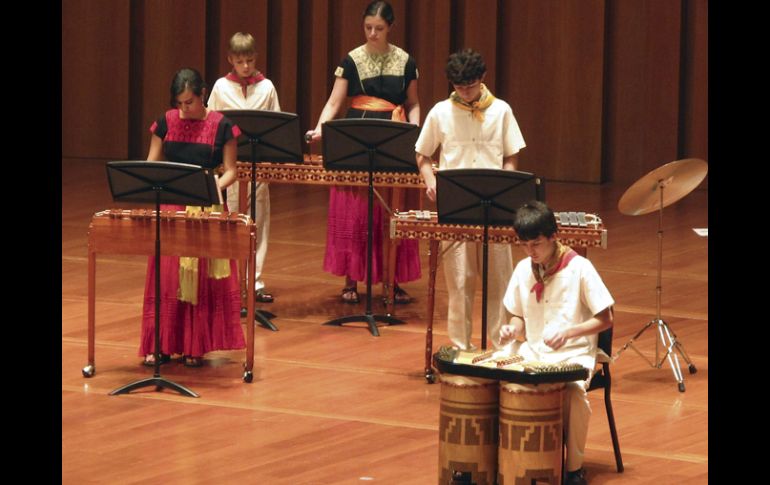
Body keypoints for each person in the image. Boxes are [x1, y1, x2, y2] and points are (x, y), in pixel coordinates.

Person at [305, 0, 421, 305]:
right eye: (368, 27)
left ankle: (392, 280)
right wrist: (320, 128)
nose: (372, 33)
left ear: (390, 28)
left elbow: (413, 104)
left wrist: (415, 132)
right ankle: (351, 280)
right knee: (356, 211)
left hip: (393, 137)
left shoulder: (406, 61)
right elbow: (334, 102)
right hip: (357, 135)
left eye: (379, 29)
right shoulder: (351, 59)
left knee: (390, 209)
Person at [415, 48, 526, 350]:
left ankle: (502, 349)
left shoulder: (501, 110)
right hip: (457, 207)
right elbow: (423, 155)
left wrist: (507, 185)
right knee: (460, 283)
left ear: (483, 78)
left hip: (495, 206)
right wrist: (431, 182)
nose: (464, 92)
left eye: (470, 85)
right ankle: (460, 348)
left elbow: (512, 156)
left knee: (499, 283)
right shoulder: (440, 112)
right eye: (458, 87)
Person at [499, 200, 615, 485]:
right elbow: (517, 315)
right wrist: (512, 330)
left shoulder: (580, 268)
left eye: (536, 244)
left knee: (574, 394)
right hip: (533, 352)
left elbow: (606, 319)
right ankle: (506, 461)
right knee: (497, 379)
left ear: (553, 236)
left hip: (573, 355)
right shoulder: (523, 268)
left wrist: (569, 332)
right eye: (524, 245)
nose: (531, 252)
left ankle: (573, 468)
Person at [140, 68, 245, 368]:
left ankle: (192, 345)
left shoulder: (222, 125)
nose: (184, 109)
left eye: (189, 102)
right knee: (166, 277)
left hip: (205, 206)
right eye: (180, 103)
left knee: (198, 282)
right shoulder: (166, 122)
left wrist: (209, 188)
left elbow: (231, 171)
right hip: (171, 207)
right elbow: (152, 163)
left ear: (202, 96)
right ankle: (160, 344)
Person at [207, 32, 281, 303]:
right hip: (232, 166)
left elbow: (277, 127)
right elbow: (210, 123)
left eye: (250, 60)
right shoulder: (220, 87)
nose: (246, 66)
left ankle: (256, 281)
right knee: (233, 222)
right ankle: (232, 281)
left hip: (258, 166)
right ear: (230, 60)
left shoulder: (267, 87)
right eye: (240, 62)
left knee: (259, 222)